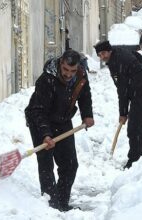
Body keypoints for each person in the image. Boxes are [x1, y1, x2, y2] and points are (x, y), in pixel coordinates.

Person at [25, 49, 94, 211]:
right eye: (65, 70)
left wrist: (87, 114)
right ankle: (51, 206)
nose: (69, 74)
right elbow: (38, 110)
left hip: (63, 119)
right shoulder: (47, 79)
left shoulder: (80, 76)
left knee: (70, 164)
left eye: (72, 70)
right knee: (46, 164)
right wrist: (45, 134)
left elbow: (85, 95)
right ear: (60, 63)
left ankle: (62, 203)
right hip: (40, 120)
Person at [94, 41, 142, 169]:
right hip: (139, 93)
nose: (102, 57)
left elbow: (122, 91)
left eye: (103, 53)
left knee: (133, 129)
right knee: (136, 126)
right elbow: (138, 57)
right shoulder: (117, 54)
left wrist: (123, 113)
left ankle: (134, 160)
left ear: (109, 50)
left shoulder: (118, 62)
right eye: (99, 55)